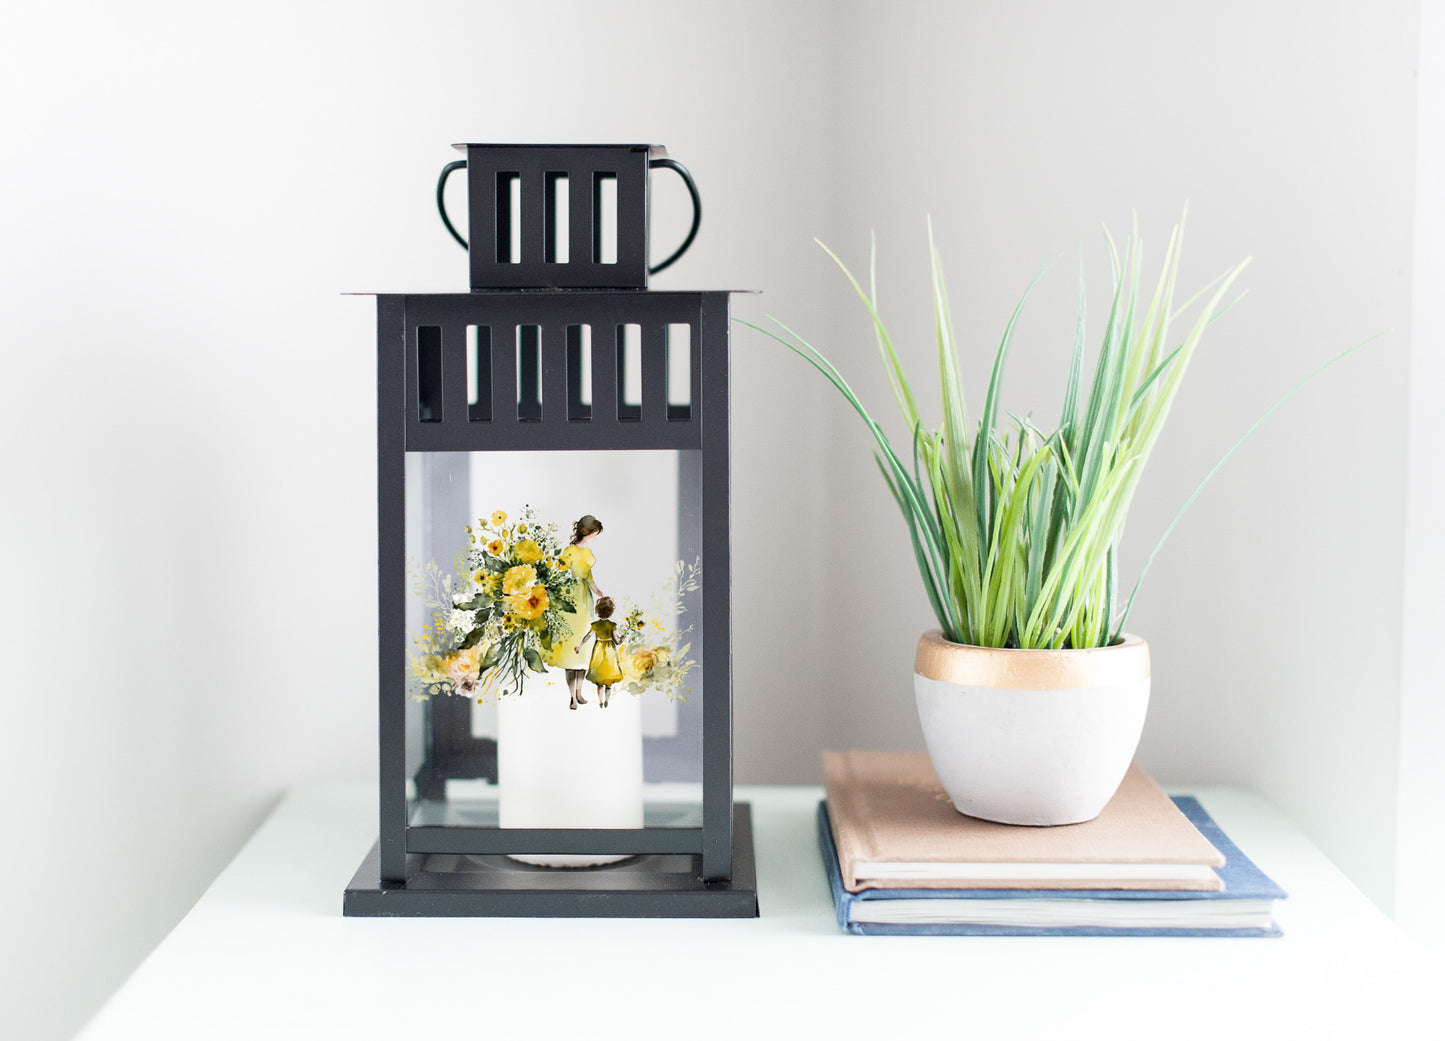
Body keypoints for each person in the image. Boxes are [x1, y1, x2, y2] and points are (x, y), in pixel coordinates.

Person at [544, 515, 604, 709]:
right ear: (587, 532)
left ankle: (579, 692)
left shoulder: (588, 554)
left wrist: (597, 591)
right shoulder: (569, 551)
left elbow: (589, 576)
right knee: (571, 648)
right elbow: (559, 572)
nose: (595, 537)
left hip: (585, 598)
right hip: (570, 596)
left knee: (584, 647)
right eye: (594, 534)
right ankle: (572, 696)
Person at [575, 596, 623, 708]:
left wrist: (579, 646)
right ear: (611, 611)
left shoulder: (595, 625)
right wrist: (623, 638)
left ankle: (601, 701)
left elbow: (587, 636)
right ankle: (607, 700)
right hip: (609, 651)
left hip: (598, 650)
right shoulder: (612, 625)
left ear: (598, 610)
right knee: (609, 677)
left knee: (600, 680)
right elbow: (617, 641)